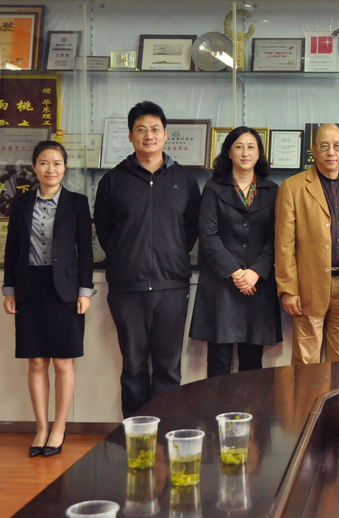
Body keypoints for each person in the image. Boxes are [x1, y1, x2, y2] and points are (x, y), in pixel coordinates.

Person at [94, 101, 201, 418]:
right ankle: (136, 435)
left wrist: (172, 254)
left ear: (166, 134)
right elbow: (105, 231)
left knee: (169, 368)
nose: (149, 136)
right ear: (130, 136)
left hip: (172, 286)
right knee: (134, 368)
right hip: (128, 288)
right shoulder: (113, 181)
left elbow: (191, 228)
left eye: (155, 129)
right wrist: (127, 259)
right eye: (141, 129)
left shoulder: (184, 180)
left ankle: (165, 432)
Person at [3, 141, 94, 457]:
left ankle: (59, 427)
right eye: (44, 163)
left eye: (56, 163)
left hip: (65, 290)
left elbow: (86, 251)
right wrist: (9, 290)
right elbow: (13, 248)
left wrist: (85, 291)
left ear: (64, 167)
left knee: (63, 361)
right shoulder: (21, 202)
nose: (50, 169)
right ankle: (41, 427)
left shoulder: (77, 202)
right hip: (30, 286)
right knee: (37, 361)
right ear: (34, 168)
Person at [189, 127, 282, 377]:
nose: (245, 152)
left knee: (252, 364)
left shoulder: (272, 190)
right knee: (219, 363)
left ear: (259, 154)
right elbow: (208, 235)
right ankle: (216, 405)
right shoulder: (213, 187)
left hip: (258, 285)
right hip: (222, 285)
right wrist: (236, 273)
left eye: (251, 147)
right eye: (239, 147)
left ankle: (251, 405)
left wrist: (255, 272)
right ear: (229, 152)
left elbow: (277, 238)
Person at [275, 123, 339, 364]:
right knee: (305, 363)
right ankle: (306, 394)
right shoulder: (293, 186)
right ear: (313, 149)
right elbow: (284, 243)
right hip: (308, 286)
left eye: (337, 146)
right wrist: (288, 289)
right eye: (324, 146)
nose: (331, 152)